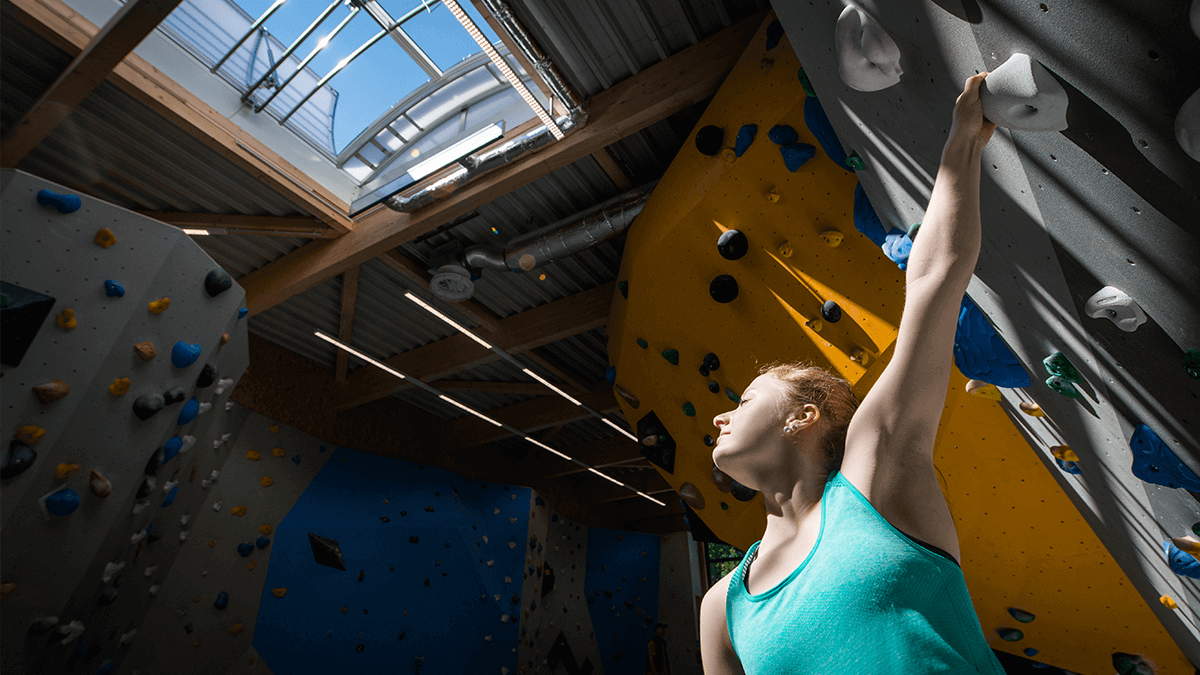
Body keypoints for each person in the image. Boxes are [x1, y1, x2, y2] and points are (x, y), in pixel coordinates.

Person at [698, 73, 1007, 674]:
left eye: (748, 397)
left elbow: (933, 279)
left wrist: (963, 139)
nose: (720, 414)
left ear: (803, 417)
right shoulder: (721, 610)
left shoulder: (875, 473)